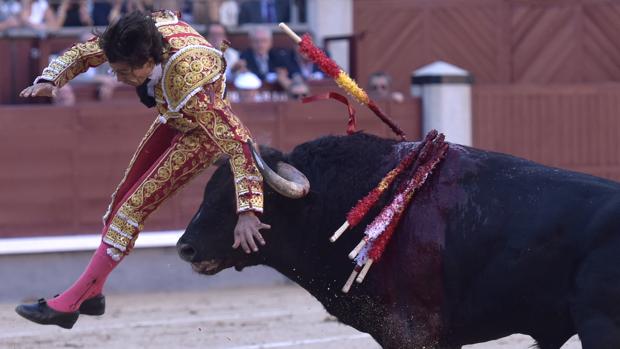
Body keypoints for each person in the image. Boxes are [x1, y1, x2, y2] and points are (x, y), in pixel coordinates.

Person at [15, 10, 270, 329]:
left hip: (201, 134)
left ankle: (69, 304)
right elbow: (85, 51)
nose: (116, 76)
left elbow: (239, 141)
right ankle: (92, 294)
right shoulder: (137, 37)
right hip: (175, 115)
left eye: (122, 72)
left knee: (129, 212)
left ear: (147, 62)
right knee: (118, 205)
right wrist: (51, 78)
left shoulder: (191, 80)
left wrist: (248, 211)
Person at [239, 25, 293, 90]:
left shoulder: (278, 56)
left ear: (270, 42)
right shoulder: (244, 57)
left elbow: (288, 75)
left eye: (264, 41)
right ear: (250, 43)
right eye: (256, 41)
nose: (260, 45)